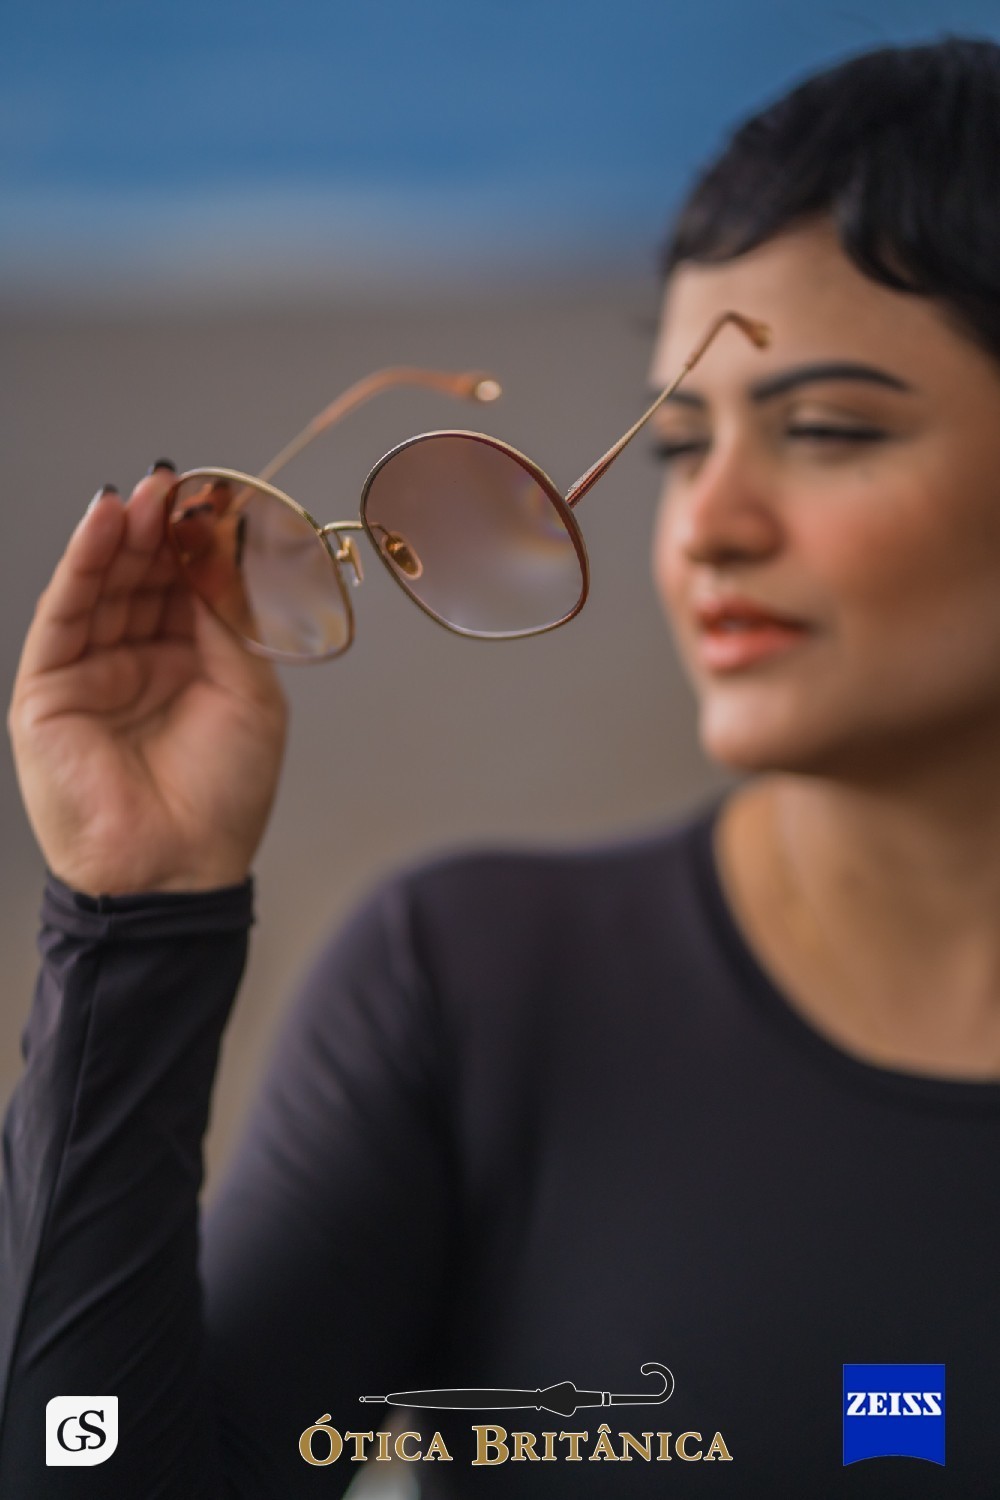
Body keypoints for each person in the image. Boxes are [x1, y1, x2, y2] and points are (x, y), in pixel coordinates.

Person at [3, 34, 1000, 1497]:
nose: (706, 526)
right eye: (677, 449)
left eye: (828, 432)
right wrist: (134, 920)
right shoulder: (473, 988)